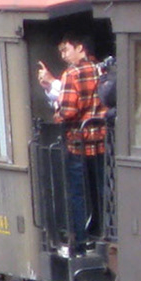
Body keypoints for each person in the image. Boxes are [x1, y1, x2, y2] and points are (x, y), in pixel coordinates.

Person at [35, 38, 106, 248]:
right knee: (100, 190)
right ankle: (102, 233)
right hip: (101, 141)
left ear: (80, 48)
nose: (64, 56)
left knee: (78, 193)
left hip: (78, 143)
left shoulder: (72, 74)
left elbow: (67, 111)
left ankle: (81, 239)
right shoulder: (100, 70)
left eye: (66, 50)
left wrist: (56, 109)